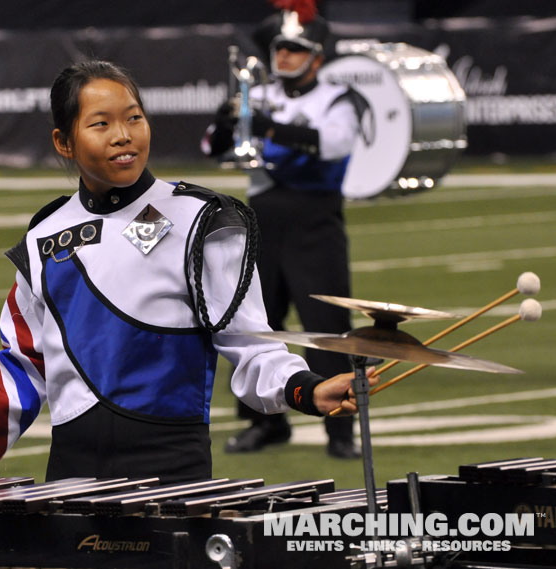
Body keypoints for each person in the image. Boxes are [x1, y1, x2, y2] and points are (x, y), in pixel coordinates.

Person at [0, 60, 375, 481]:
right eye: (100, 124)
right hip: (72, 472)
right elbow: (22, 365)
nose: (123, 135)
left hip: (171, 468)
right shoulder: (44, 238)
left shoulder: (204, 220)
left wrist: (308, 388)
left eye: (134, 117)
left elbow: (251, 347)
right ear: (64, 142)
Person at [202, 0, 367, 458]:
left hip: (315, 223)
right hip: (261, 222)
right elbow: (214, 148)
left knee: (327, 328)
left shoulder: (337, 98)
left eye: (296, 49)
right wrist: (226, 121)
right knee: (256, 326)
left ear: (316, 55)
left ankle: (341, 429)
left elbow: (329, 145)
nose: (285, 57)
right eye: (281, 48)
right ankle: (263, 423)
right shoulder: (258, 94)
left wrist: (265, 127)